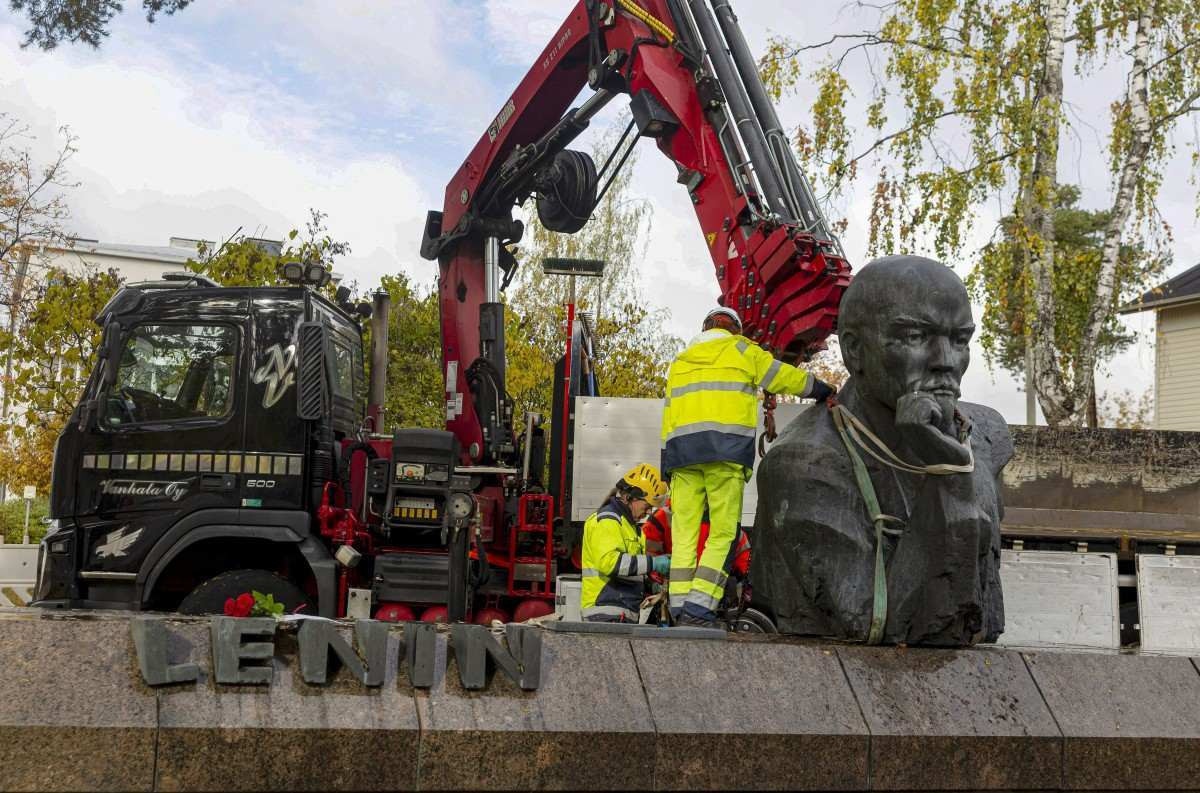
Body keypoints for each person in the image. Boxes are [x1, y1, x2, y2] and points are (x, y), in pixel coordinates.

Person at [750, 255, 1013, 646]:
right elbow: (882, 628)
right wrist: (947, 474)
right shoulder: (804, 466)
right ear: (853, 350)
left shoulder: (987, 434)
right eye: (914, 337)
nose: (946, 362)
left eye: (960, 340)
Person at [660, 306, 835, 627]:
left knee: (683, 535)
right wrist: (823, 390)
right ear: (735, 329)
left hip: (682, 458)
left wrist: (665, 464)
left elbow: (668, 414)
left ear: (706, 327)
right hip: (724, 455)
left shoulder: (680, 362)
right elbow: (784, 377)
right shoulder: (742, 350)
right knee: (723, 533)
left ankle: (678, 608)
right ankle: (698, 611)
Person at [580, 463, 670, 622]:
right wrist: (653, 563)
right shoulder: (608, 520)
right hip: (605, 612)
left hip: (619, 612)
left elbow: (630, 569)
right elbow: (610, 563)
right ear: (631, 497)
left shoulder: (630, 527)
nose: (649, 512)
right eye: (647, 506)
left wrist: (649, 584)